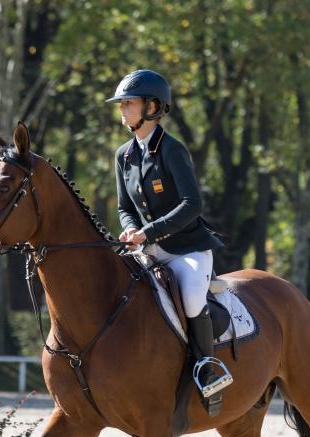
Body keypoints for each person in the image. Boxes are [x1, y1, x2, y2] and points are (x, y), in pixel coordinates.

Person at [108, 69, 232, 414]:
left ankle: (207, 371)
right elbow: (124, 206)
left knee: (192, 298)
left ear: (152, 106)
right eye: (121, 103)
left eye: (128, 103)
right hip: (146, 249)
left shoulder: (172, 150)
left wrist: (148, 232)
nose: (122, 109)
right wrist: (132, 230)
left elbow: (192, 205)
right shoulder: (124, 155)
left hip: (187, 249)